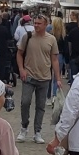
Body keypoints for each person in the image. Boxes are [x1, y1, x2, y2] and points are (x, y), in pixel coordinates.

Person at [17, 14, 61, 143]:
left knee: (40, 106)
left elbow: (54, 60)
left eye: (39, 23)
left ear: (46, 24)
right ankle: (24, 127)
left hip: (45, 77)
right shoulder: (28, 37)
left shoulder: (51, 39)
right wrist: (21, 69)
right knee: (25, 102)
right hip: (29, 75)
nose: (36, 25)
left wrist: (57, 78)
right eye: (35, 23)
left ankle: (37, 131)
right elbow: (19, 54)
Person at [50, 16, 67, 100]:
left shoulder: (50, 34)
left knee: (48, 76)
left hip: (49, 55)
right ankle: (54, 95)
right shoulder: (63, 36)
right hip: (59, 55)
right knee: (57, 76)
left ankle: (48, 96)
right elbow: (65, 48)